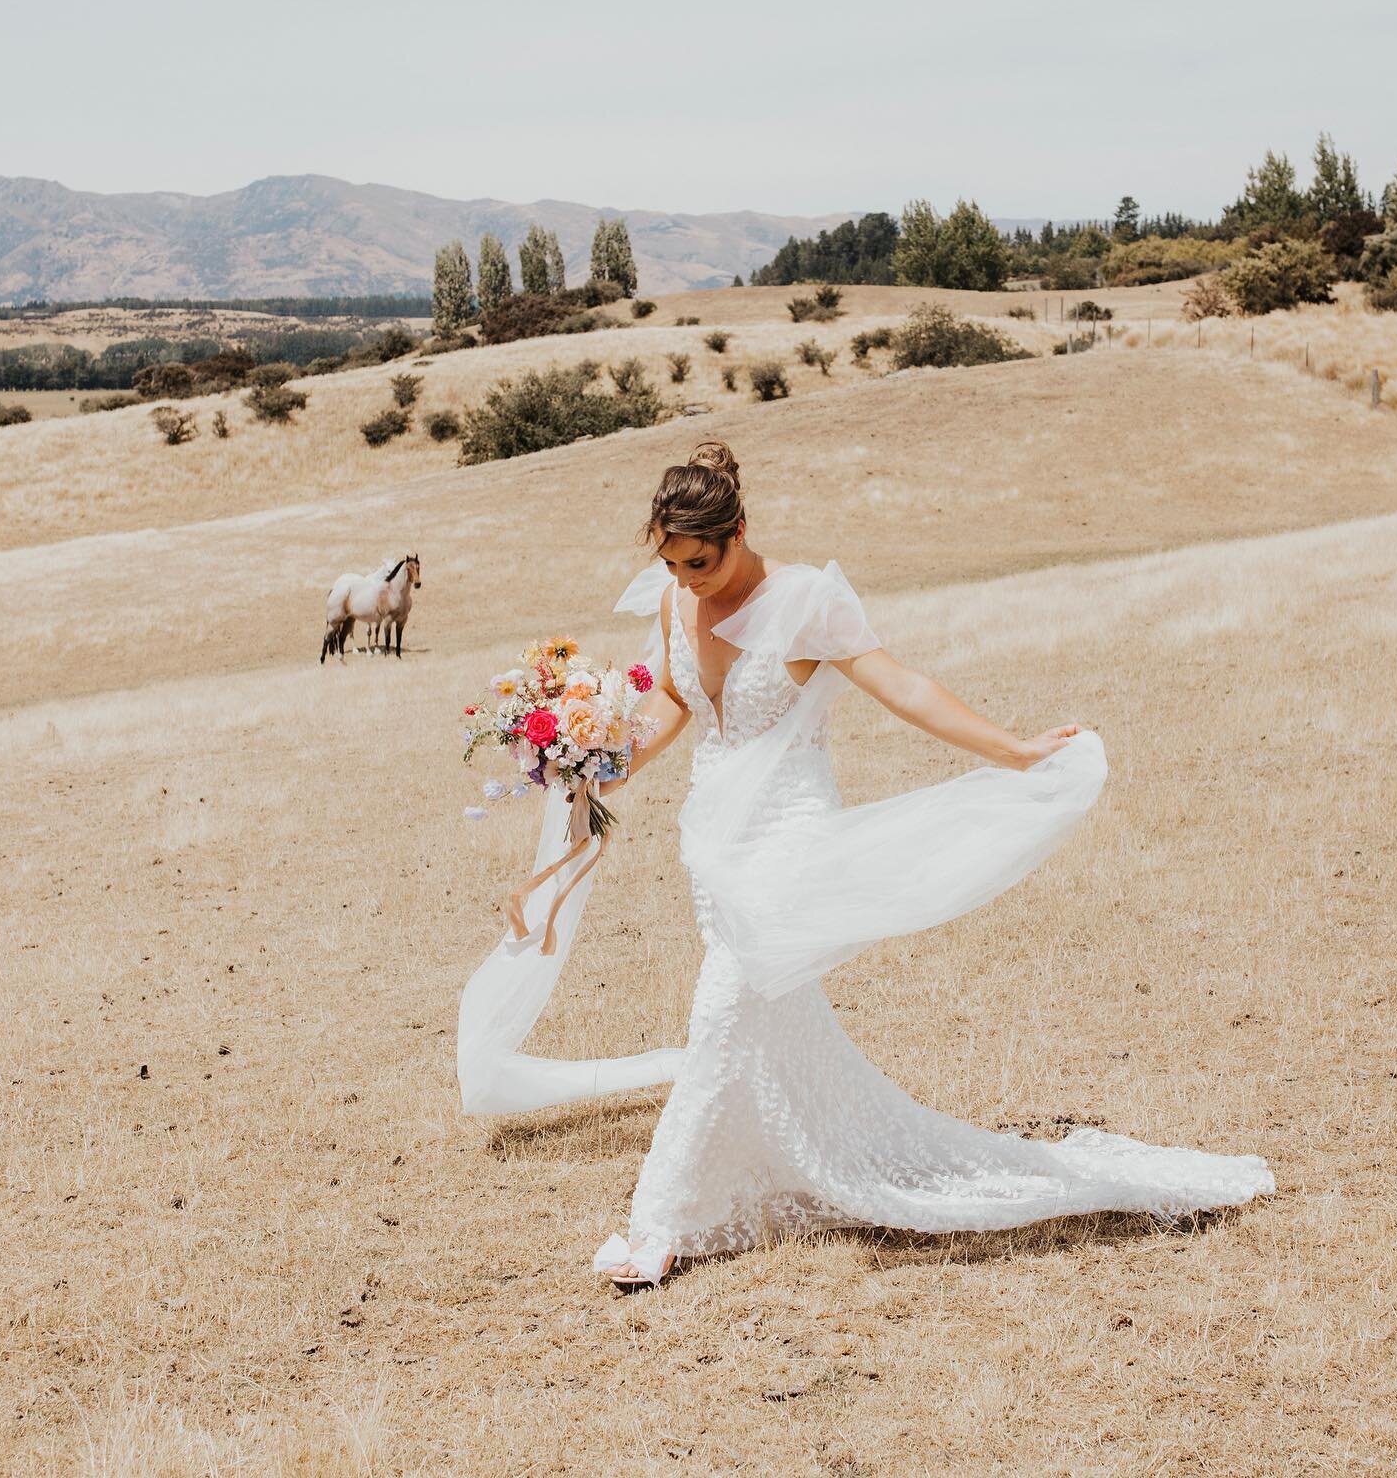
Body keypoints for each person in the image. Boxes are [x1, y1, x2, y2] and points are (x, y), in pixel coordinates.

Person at [456, 440, 1275, 1287]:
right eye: (670, 562)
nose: (687, 579)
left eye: (700, 560)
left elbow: (904, 685)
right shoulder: (674, 601)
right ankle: (788, 1162)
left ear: (740, 531)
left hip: (791, 837)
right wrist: (606, 761)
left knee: (723, 1011)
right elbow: (674, 698)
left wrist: (1017, 752)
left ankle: (658, 1224)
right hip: (712, 840)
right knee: (766, 1028)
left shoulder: (807, 601)